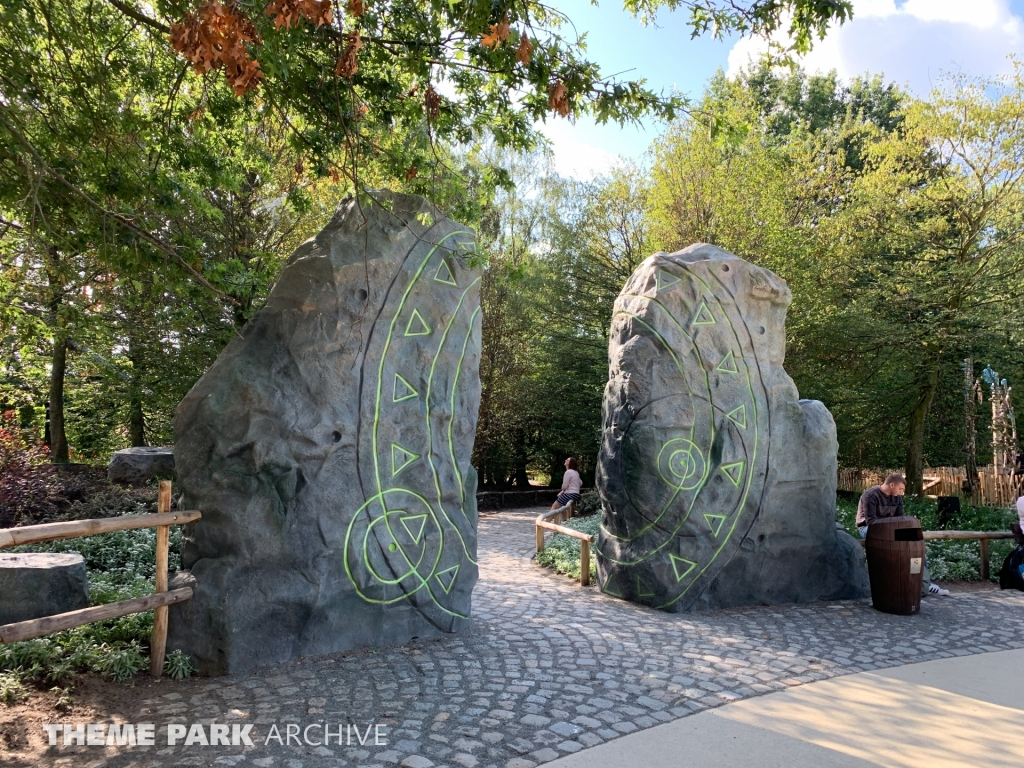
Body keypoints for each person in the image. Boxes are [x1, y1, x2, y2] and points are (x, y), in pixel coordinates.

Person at [856, 473, 950, 597]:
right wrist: (893, 528)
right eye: (900, 489)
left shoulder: (897, 498)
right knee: (891, 543)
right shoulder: (870, 495)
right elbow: (871, 522)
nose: (901, 492)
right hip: (868, 528)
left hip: (891, 528)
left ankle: (925, 582)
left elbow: (900, 519)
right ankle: (891, 583)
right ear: (891, 485)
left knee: (916, 544)